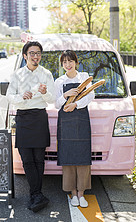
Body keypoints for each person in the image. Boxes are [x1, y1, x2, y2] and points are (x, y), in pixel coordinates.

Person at [6, 41, 55, 212]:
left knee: (39, 159)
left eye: (38, 53)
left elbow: (52, 99)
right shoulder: (17, 74)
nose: (36, 56)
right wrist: (21, 96)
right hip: (23, 118)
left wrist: (44, 93)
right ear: (25, 56)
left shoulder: (46, 74)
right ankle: (36, 194)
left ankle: (35, 194)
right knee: (27, 159)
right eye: (32, 53)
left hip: (40, 117)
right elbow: (9, 96)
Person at [54, 50, 94, 208]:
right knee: (68, 157)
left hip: (82, 119)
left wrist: (75, 104)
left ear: (76, 62)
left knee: (83, 158)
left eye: (70, 61)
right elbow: (56, 104)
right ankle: (73, 194)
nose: (67, 65)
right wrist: (65, 96)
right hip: (66, 122)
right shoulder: (59, 81)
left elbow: (91, 95)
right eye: (64, 62)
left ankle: (82, 193)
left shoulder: (84, 77)